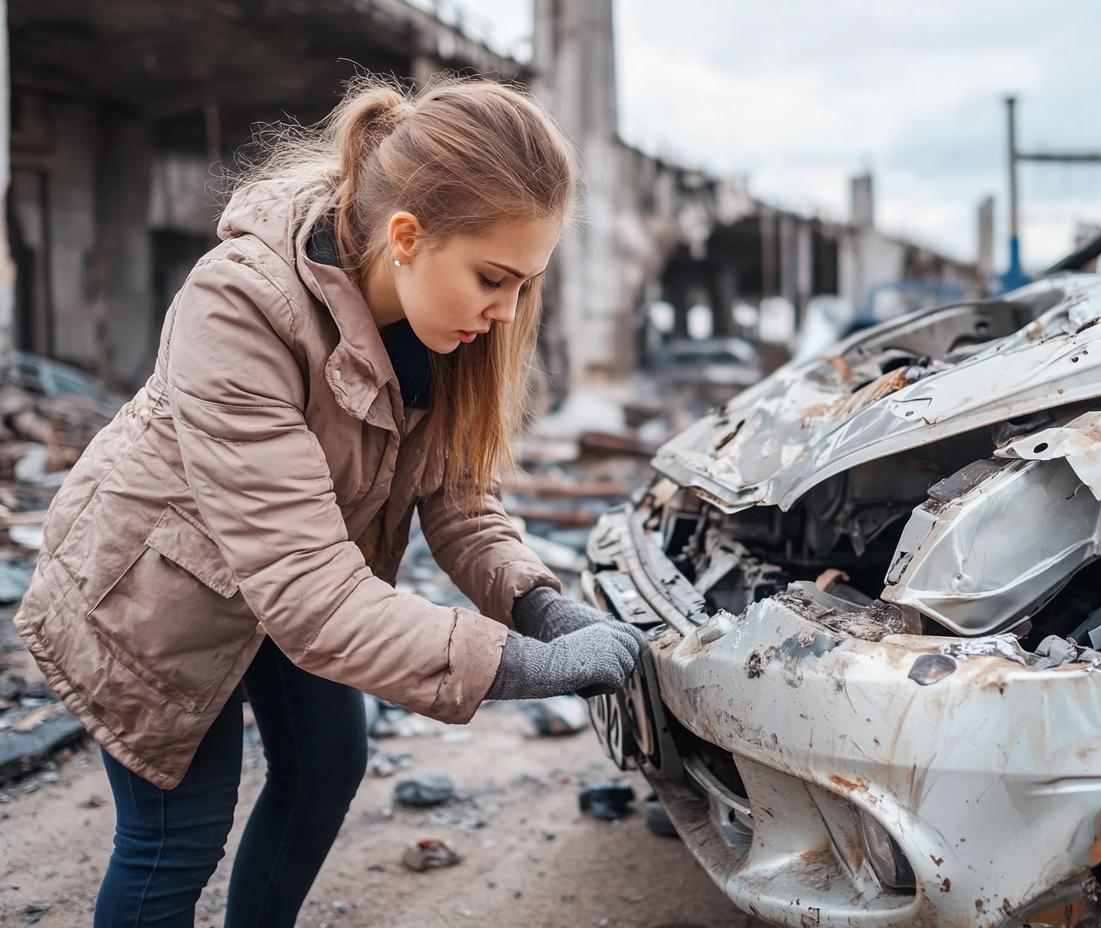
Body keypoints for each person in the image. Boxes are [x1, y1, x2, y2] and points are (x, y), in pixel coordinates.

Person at [12, 75, 643, 927]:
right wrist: (532, 668)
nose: (507, 312)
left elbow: (455, 500)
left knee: (327, 767)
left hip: (288, 576)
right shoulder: (238, 303)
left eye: (526, 285)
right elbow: (308, 591)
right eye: (496, 278)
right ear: (408, 235)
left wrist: (542, 609)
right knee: (177, 837)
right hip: (154, 595)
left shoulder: (440, 321)